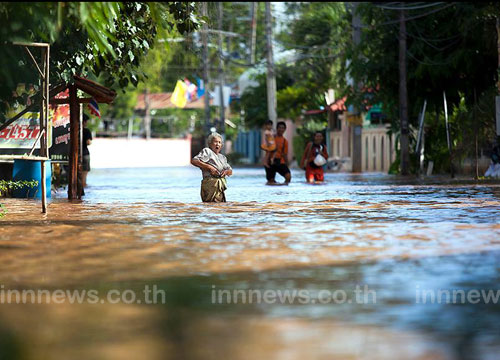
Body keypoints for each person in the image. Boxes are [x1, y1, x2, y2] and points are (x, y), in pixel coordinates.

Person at [191, 132, 233, 202]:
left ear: (222, 145)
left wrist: (226, 172)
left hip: (220, 188)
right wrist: (209, 167)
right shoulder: (207, 151)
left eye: (219, 142)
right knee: (210, 207)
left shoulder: (222, 157)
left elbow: (230, 171)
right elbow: (194, 161)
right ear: (210, 144)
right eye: (215, 142)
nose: (218, 144)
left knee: (219, 207)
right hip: (210, 185)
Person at [81, 114, 92, 188]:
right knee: (84, 172)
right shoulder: (86, 131)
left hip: (75, 154)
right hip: (84, 153)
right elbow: (88, 142)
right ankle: (83, 185)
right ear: (84, 122)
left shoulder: (72, 130)